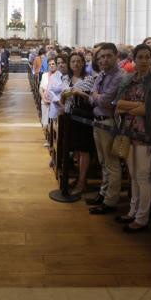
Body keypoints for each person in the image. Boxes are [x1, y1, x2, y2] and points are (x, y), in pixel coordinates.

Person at [114, 44, 151, 232]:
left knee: (143, 176)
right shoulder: (128, 79)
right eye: (140, 57)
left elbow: (148, 110)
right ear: (134, 59)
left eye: (147, 57)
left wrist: (131, 108)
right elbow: (118, 104)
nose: (143, 61)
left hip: (146, 134)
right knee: (133, 176)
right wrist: (137, 106)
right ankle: (132, 211)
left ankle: (142, 217)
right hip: (128, 132)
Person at [85, 43, 126, 214]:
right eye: (101, 57)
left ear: (116, 56)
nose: (104, 59)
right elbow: (92, 98)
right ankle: (103, 193)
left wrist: (97, 97)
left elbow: (106, 101)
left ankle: (110, 201)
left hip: (109, 122)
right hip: (98, 120)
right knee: (103, 162)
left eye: (108, 56)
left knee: (111, 163)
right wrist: (97, 97)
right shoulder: (102, 74)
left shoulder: (120, 76)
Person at [61, 52, 95, 195]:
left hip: (82, 118)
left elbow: (89, 98)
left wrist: (75, 92)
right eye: (73, 61)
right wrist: (67, 95)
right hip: (69, 117)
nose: (76, 64)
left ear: (83, 63)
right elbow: (63, 97)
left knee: (83, 150)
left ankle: (81, 182)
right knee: (75, 151)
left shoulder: (88, 78)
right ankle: (81, 179)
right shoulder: (65, 77)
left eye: (79, 61)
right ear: (69, 64)